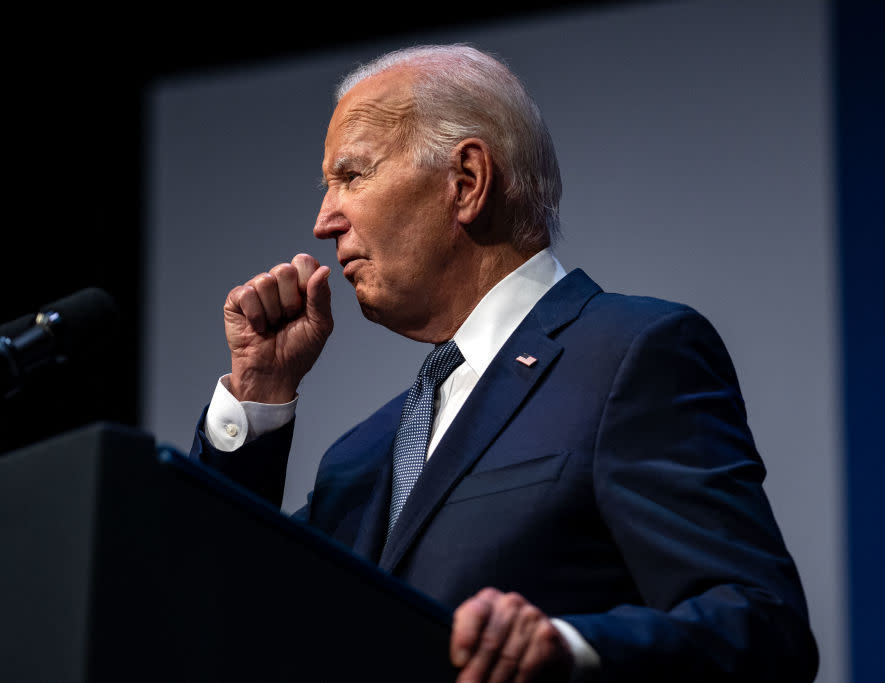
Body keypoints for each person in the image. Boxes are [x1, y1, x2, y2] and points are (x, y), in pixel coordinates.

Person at [190, 44, 818, 682]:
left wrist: (569, 650)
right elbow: (223, 613)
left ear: (466, 183)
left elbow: (763, 628)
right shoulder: (359, 459)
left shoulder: (632, 356)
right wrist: (258, 393)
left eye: (352, 176)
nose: (324, 221)